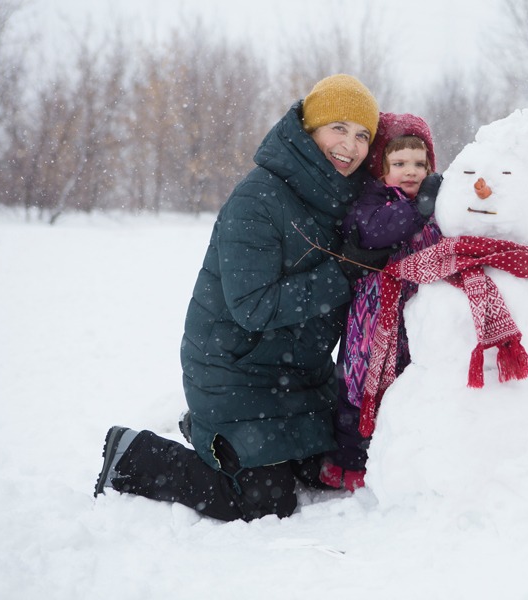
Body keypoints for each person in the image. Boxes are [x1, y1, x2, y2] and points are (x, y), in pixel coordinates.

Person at [94, 74, 384, 522]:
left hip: (299, 374)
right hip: (233, 369)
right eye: (338, 128)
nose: (350, 144)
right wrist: (343, 272)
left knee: (336, 464)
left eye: (363, 134)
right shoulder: (260, 197)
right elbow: (253, 305)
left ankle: (220, 440)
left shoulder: (347, 201)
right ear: (311, 129)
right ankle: (132, 455)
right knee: (266, 501)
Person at [316, 112, 443, 491]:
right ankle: (348, 461)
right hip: (373, 316)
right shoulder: (371, 202)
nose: (411, 171)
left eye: (420, 164)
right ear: (381, 167)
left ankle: (404, 458)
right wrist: (416, 209)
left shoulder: (435, 202)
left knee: (409, 383)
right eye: (399, 163)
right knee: (360, 383)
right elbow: (376, 231)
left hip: (417, 311)